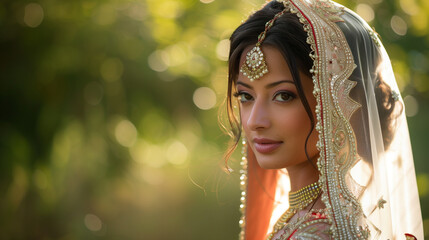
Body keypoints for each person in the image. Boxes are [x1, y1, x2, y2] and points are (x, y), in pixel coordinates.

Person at [223, 0, 424, 239]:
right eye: (246, 96)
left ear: (338, 102)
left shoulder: (314, 233)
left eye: (283, 96)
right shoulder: (314, 220)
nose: (255, 120)